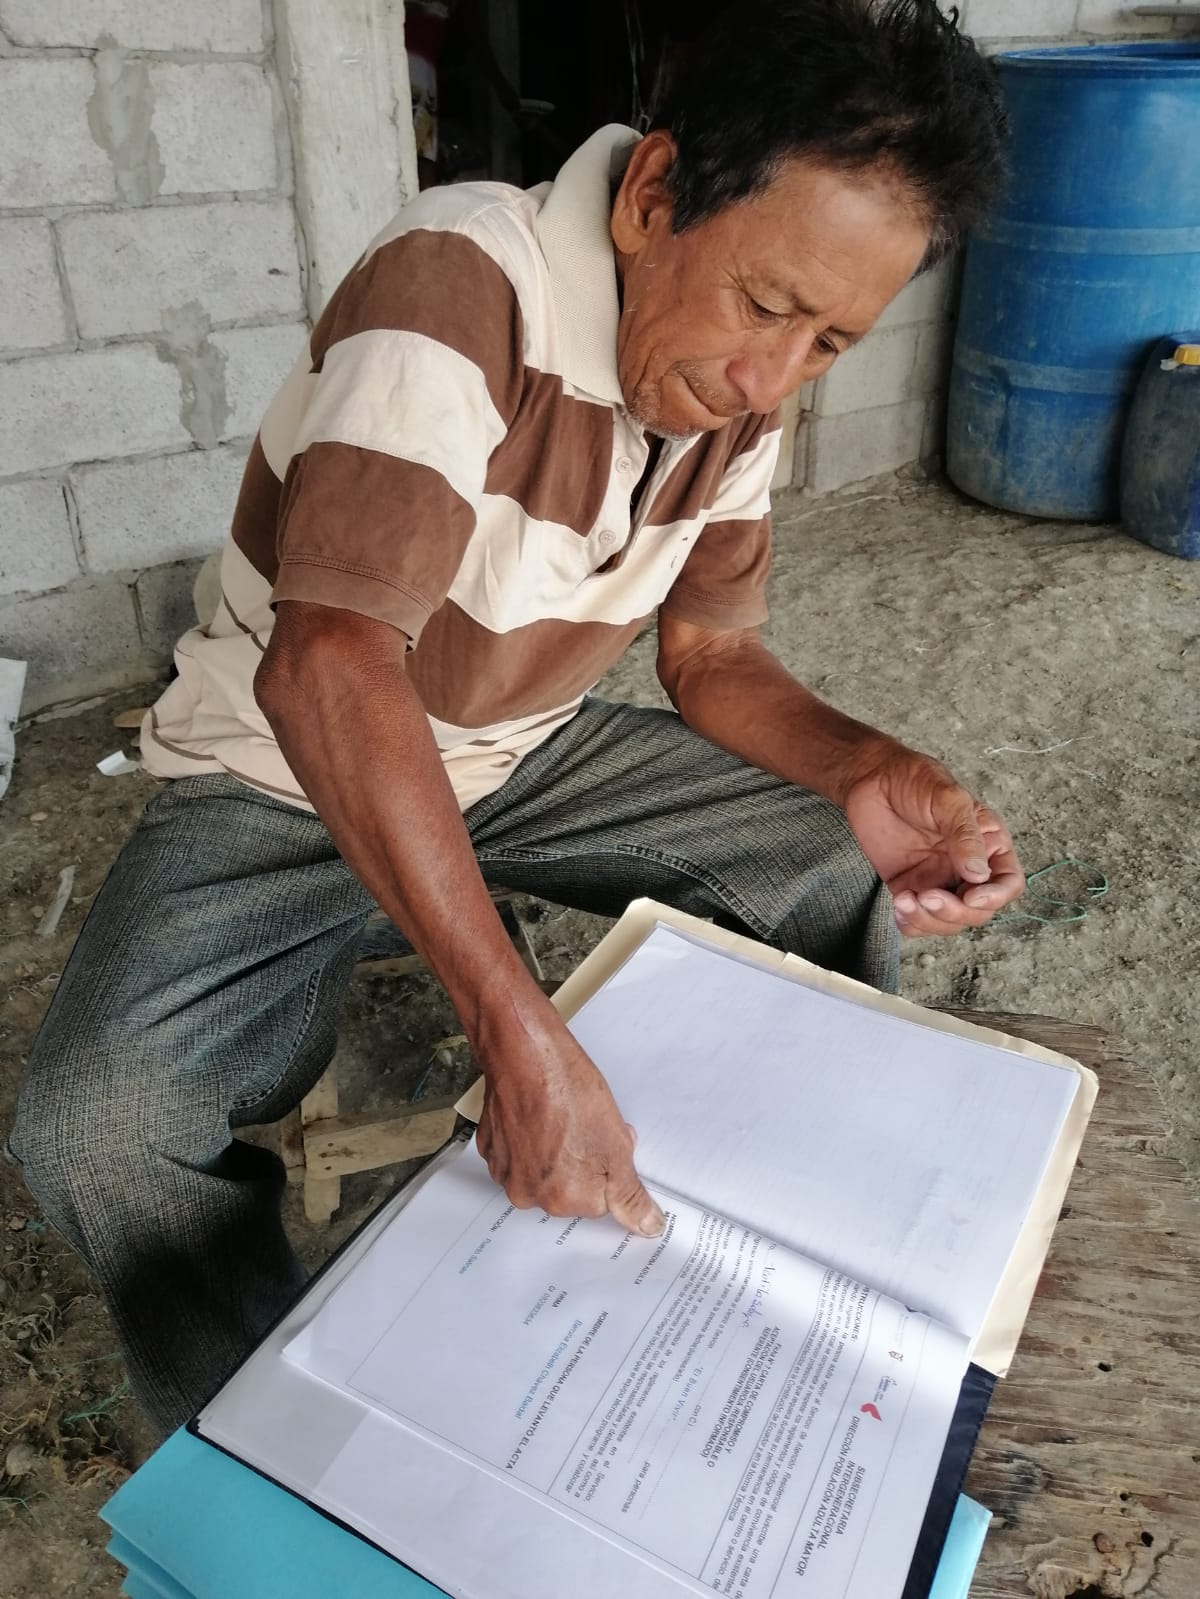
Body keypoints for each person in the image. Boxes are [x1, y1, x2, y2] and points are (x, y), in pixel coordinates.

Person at [12, 0, 1018, 1435]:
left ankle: (784, 1279)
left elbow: (712, 652)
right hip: (286, 768)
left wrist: (865, 768)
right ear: (655, 195)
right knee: (101, 1127)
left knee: (823, 866)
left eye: (830, 345)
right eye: (765, 307)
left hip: (524, 748)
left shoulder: (736, 390)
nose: (771, 379)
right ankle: (271, 1447)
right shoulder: (462, 285)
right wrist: (515, 1029)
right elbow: (329, 669)